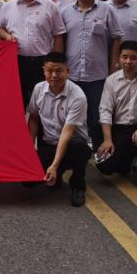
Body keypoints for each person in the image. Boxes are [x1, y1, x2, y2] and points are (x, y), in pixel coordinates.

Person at [60, 0, 123, 148]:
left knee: (97, 115)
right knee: (72, 115)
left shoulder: (106, 10)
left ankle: (98, 149)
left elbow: (117, 37)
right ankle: (75, 150)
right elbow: (60, 40)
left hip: (98, 75)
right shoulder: (65, 12)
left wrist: (114, 65)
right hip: (72, 74)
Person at [26, 52, 92, 207]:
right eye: (49, 71)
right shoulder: (38, 89)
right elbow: (33, 118)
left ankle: (78, 185)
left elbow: (67, 132)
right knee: (27, 180)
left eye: (59, 71)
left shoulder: (78, 96)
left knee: (80, 147)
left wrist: (54, 165)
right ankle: (57, 173)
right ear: (44, 70)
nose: (54, 75)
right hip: (48, 143)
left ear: (67, 71)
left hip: (70, 144)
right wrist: (30, 149)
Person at [96, 40, 137, 191]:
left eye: (133, 58)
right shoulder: (111, 80)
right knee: (105, 166)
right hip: (120, 128)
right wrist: (107, 140)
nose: (128, 61)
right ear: (119, 58)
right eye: (124, 57)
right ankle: (127, 160)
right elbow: (105, 110)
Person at [0, 0, 66, 107]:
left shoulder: (50, 6)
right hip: (16, 61)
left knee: (44, 102)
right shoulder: (8, 6)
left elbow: (58, 35)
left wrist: (56, 62)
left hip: (43, 62)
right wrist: (7, 36)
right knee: (17, 101)